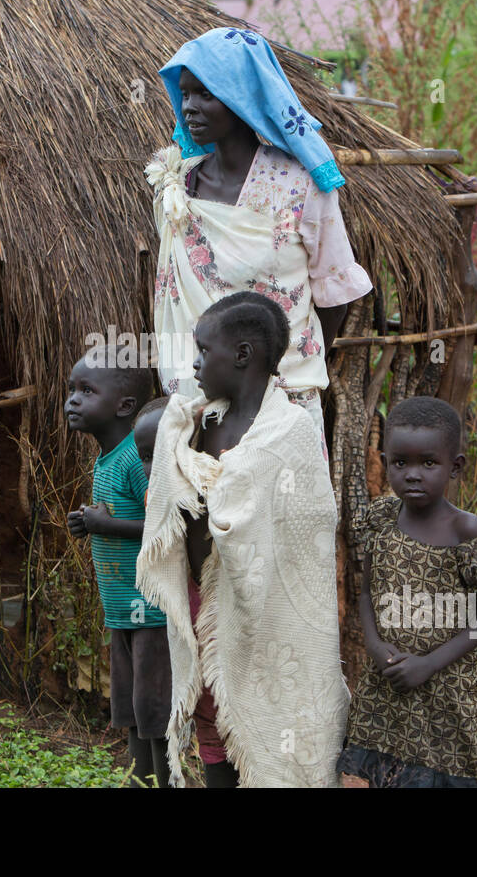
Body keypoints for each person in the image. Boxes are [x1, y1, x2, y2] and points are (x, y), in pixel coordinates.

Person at [137, 291, 347, 787]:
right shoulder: (194, 426)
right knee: (214, 718)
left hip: (271, 615)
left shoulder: (289, 431)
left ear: (243, 355)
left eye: (203, 351)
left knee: (274, 721)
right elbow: (172, 504)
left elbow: (310, 526)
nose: (193, 363)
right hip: (205, 608)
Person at [145, 26, 372, 435]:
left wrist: (291, 361)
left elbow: (334, 292)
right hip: (195, 398)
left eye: (205, 94)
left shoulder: (300, 186)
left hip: (281, 397)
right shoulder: (178, 185)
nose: (189, 107)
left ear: (240, 98)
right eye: (185, 94)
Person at [340, 397, 477, 787]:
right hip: (390, 690)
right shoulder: (380, 519)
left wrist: (428, 664)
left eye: (428, 463)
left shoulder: (464, 529)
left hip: (447, 695)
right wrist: (375, 648)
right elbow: (366, 594)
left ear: (455, 466)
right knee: (390, 777)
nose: (413, 474)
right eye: (401, 463)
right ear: (385, 461)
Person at [64, 349, 171, 788]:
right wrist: (90, 525)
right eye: (72, 390)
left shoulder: (134, 458)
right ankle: (137, 778)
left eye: (86, 391)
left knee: (153, 706)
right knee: (129, 703)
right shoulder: (107, 458)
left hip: (151, 609)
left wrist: (104, 524)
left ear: (124, 406)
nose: (73, 400)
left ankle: (165, 780)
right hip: (122, 608)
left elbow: (166, 523)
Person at [132, 396, 170, 479]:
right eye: (147, 457)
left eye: (166, 452)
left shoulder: (203, 487)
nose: (156, 467)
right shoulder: (151, 492)